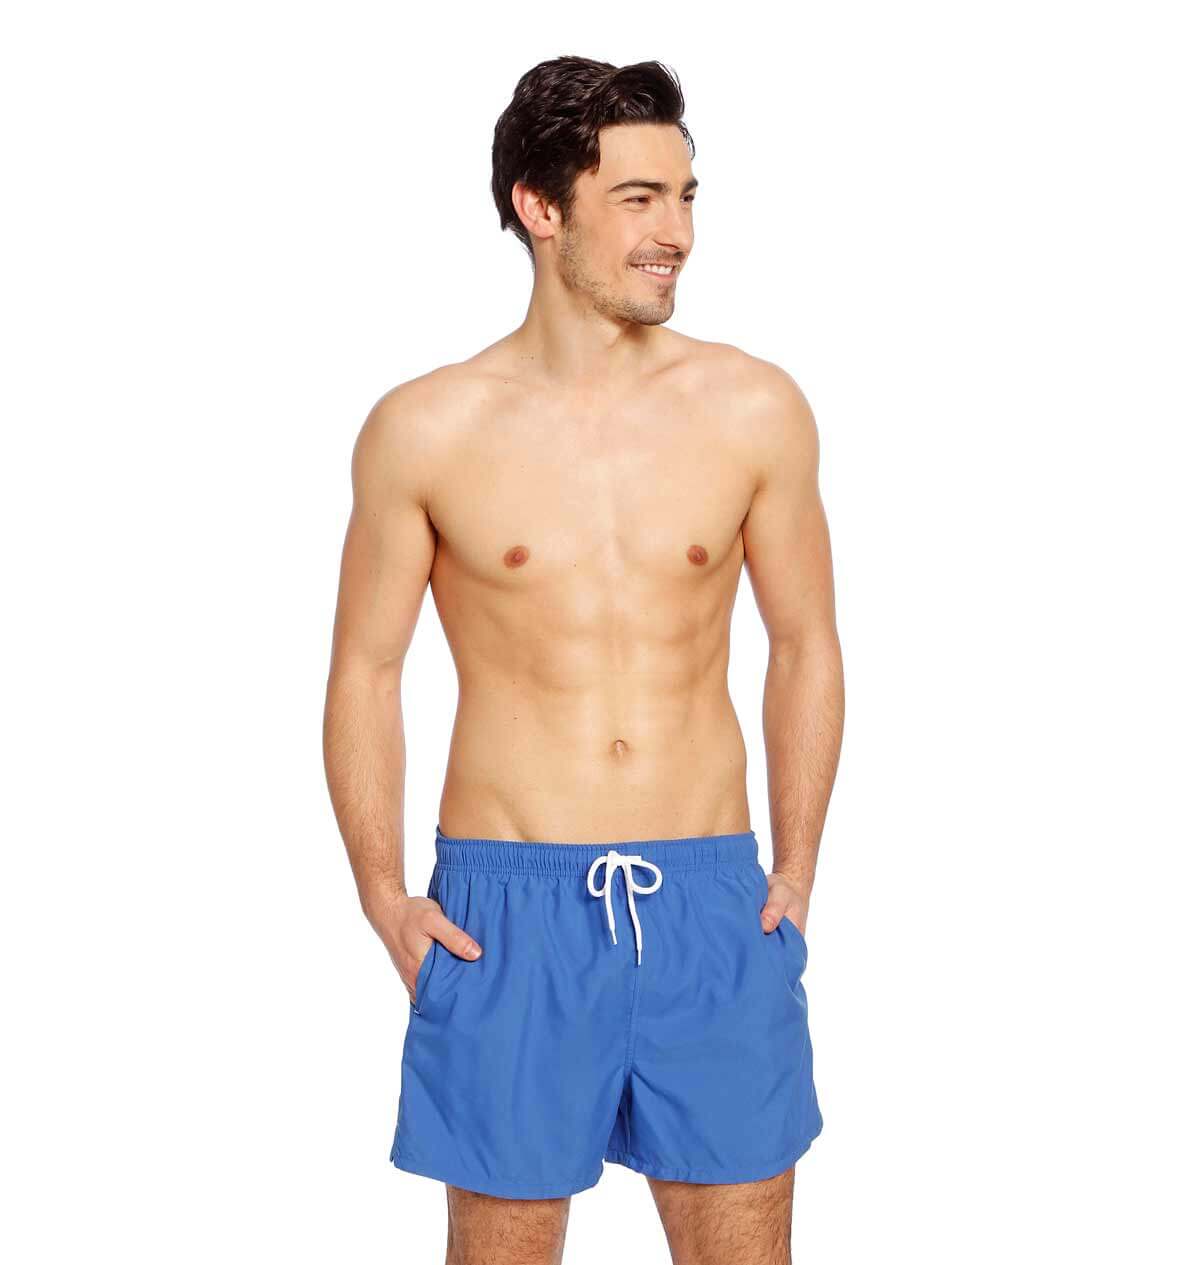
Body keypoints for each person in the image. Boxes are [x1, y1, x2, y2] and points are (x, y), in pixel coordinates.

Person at [323, 55, 845, 1265]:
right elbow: (365, 671)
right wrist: (382, 892)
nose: (677, 234)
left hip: (710, 899)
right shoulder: (424, 427)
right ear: (539, 206)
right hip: (505, 909)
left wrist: (796, 862)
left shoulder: (753, 406)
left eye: (685, 196)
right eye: (638, 199)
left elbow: (805, 641)